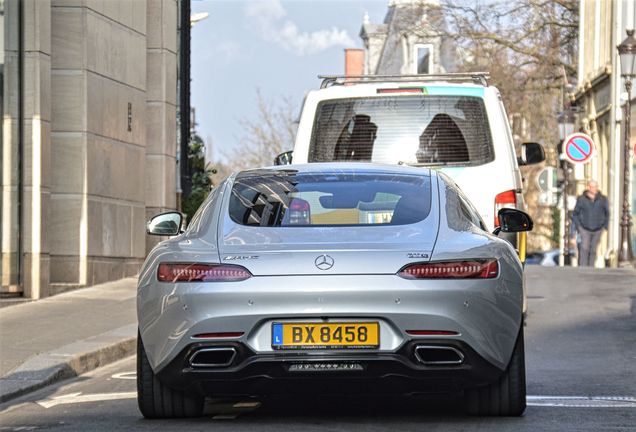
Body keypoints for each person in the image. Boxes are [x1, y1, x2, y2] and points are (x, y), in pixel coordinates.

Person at [572, 180, 609, 267]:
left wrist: (605, 226)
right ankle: (583, 267)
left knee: (593, 249)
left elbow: (607, 213)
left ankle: (591, 267)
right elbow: (575, 213)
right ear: (588, 187)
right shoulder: (581, 199)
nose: (594, 189)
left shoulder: (602, 199)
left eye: (595, 187)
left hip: (598, 228)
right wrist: (578, 226)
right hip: (584, 228)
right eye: (592, 187)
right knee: (584, 248)